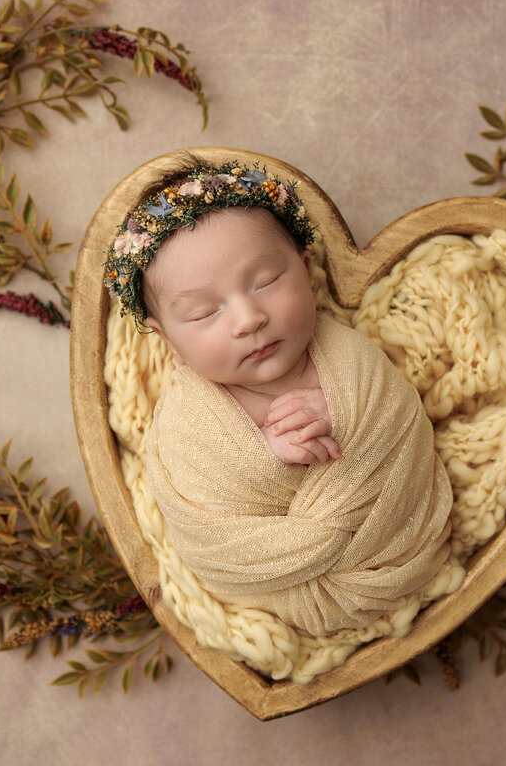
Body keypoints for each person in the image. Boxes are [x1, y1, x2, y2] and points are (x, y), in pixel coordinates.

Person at [103, 158, 454, 637]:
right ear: (169, 345)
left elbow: (399, 417)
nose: (248, 318)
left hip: (393, 550)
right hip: (280, 588)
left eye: (266, 282)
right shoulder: (187, 424)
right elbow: (199, 527)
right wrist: (266, 462)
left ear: (306, 273)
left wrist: (347, 415)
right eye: (205, 311)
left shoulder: (349, 359)